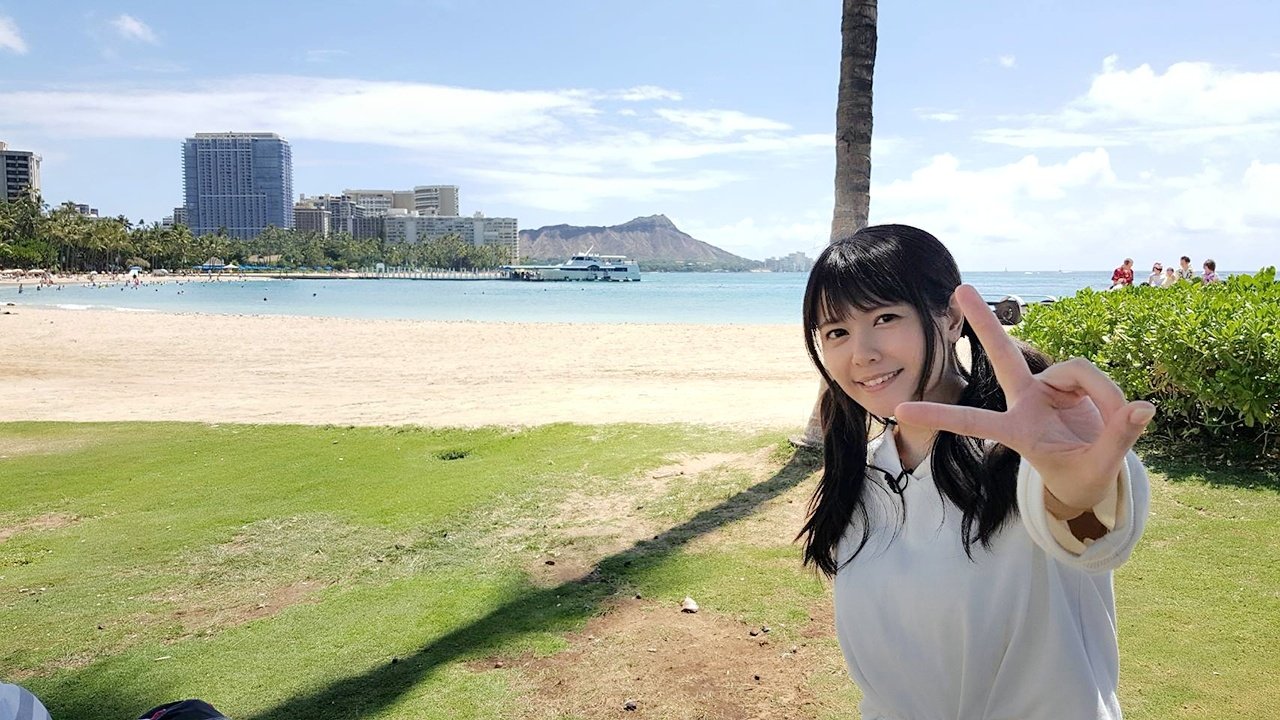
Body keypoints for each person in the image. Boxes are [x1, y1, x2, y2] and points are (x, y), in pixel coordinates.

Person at [798, 225, 1153, 720]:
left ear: (949, 318)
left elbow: (1087, 532)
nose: (862, 353)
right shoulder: (865, 475)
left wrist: (1079, 495)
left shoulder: (1022, 454)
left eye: (885, 317)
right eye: (836, 332)